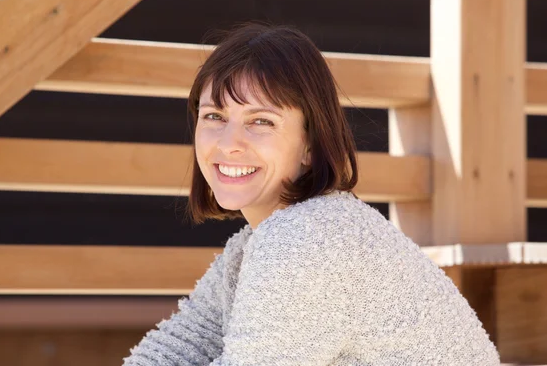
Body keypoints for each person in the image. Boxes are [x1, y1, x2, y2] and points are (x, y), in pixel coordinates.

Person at [122, 23, 501, 365]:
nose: (229, 143)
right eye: (214, 117)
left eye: (261, 121)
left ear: (310, 145)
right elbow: (175, 349)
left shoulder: (310, 241)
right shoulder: (253, 247)